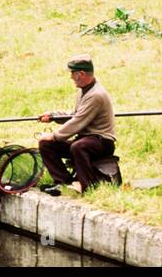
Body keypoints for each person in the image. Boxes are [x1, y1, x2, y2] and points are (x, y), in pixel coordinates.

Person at [37, 55, 117, 195]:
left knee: (78, 146)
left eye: (72, 73)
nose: (71, 77)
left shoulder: (96, 95)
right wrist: (53, 116)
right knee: (45, 145)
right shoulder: (83, 91)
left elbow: (78, 121)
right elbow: (74, 114)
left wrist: (54, 136)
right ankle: (64, 182)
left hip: (102, 141)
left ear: (81, 74)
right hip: (85, 139)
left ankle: (87, 186)